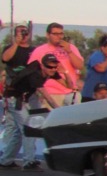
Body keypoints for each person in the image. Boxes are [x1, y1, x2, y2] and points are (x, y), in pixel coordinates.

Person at [1, 24, 36, 168]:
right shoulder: (10, 48)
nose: (24, 35)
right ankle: (29, 160)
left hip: (28, 94)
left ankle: (6, 160)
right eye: (20, 32)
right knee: (27, 127)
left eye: (25, 32)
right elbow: (5, 58)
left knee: (17, 130)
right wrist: (16, 42)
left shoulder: (33, 51)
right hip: (14, 94)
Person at [29, 23, 83, 106]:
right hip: (51, 93)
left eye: (61, 33)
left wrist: (69, 51)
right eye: (55, 34)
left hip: (71, 92)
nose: (59, 36)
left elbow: (80, 66)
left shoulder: (71, 48)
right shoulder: (39, 51)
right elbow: (31, 72)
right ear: (47, 35)